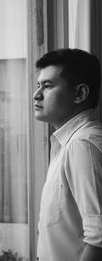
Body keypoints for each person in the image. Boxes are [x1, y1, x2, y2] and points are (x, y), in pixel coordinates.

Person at [33, 48, 102, 261]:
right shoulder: (69, 142)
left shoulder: (82, 145)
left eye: (48, 86)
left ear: (80, 94)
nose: (36, 94)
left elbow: (98, 239)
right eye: (38, 85)